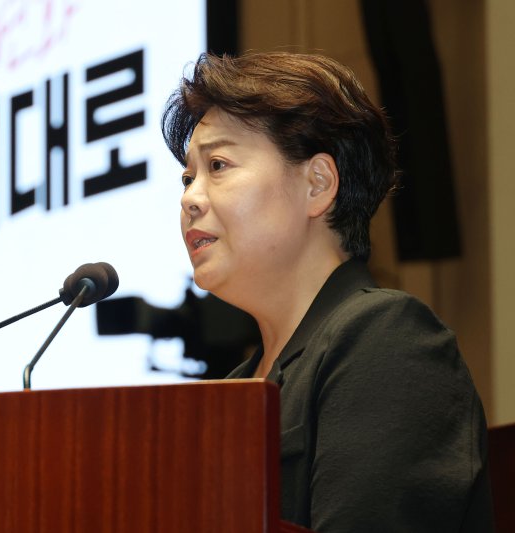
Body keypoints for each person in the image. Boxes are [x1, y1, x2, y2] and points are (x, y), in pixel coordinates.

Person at [162, 52, 493, 533]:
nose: (189, 198)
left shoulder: (387, 340)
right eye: (188, 178)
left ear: (317, 184)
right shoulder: (232, 391)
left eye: (218, 165)